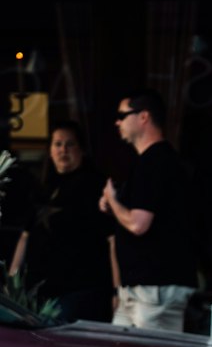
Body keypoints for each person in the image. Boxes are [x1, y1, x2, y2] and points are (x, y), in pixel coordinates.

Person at [100, 89, 198, 332]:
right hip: (139, 290)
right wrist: (114, 207)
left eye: (122, 116)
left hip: (154, 292)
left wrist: (112, 201)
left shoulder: (156, 162)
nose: (117, 122)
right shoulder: (150, 162)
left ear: (143, 117)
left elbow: (138, 224)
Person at [8, 121, 113, 322]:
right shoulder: (43, 188)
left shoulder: (94, 185)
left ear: (81, 150)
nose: (63, 149)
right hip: (39, 292)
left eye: (70, 144)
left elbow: (112, 239)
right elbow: (25, 236)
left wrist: (117, 290)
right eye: (57, 144)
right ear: (50, 150)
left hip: (79, 290)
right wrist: (12, 280)